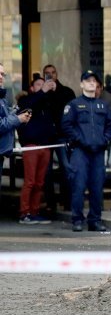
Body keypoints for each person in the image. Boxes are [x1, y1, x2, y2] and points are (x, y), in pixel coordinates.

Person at [62, 70, 111, 233]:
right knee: (78, 186)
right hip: (80, 152)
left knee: (97, 187)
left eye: (94, 81)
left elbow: (110, 125)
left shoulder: (103, 106)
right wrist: (79, 139)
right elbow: (66, 125)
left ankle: (95, 220)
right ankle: (77, 220)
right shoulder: (74, 105)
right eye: (88, 80)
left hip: (98, 152)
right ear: (82, 84)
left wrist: (105, 139)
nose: (92, 83)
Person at [17, 75, 56, 224]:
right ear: (32, 88)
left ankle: (34, 211)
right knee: (30, 181)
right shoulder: (26, 101)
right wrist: (42, 92)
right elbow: (28, 105)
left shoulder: (47, 103)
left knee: (40, 182)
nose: (43, 86)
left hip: (45, 145)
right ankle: (24, 213)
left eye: (44, 84)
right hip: (31, 146)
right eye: (38, 85)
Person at [41, 64, 76, 213]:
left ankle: (68, 201)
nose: (50, 75)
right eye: (47, 73)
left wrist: (55, 92)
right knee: (46, 172)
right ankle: (50, 203)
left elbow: (70, 111)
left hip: (62, 136)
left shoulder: (66, 92)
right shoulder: (41, 93)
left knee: (66, 169)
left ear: (57, 74)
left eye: (53, 73)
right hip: (47, 137)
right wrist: (44, 91)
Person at [0, 62, 32, 208]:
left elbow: (5, 119)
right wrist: (17, 119)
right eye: (0, 74)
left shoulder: (2, 98)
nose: (2, 77)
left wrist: (17, 115)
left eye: (3, 74)